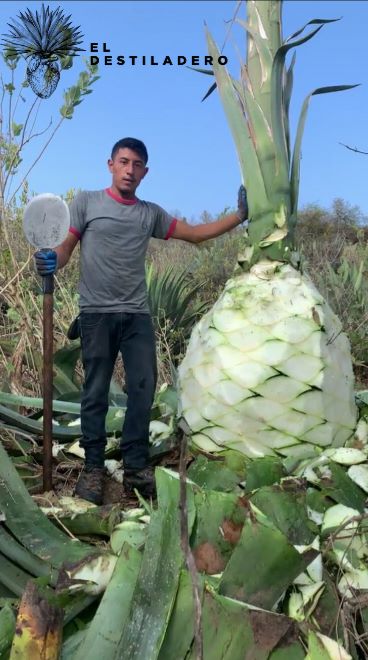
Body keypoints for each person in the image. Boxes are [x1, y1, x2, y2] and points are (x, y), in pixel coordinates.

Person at [34, 137, 248, 505]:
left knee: (143, 388)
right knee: (95, 391)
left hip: (136, 316)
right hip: (96, 314)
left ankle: (135, 466)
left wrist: (239, 216)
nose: (130, 170)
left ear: (145, 172)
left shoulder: (149, 214)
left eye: (137, 165)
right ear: (111, 164)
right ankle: (94, 469)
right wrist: (51, 260)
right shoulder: (87, 202)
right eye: (124, 162)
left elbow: (195, 235)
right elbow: (66, 248)